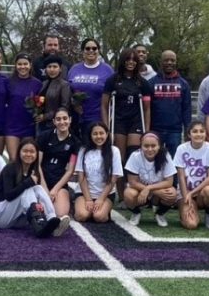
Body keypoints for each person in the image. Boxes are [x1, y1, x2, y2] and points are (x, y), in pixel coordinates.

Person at [0, 140, 70, 238]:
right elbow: (8, 196)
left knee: (38, 188)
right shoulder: (10, 168)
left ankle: (51, 220)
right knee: (27, 190)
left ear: (37, 154)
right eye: (25, 151)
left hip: (18, 218)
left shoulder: (34, 171)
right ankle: (39, 223)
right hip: (1, 216)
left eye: (32, 152)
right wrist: (27, 183)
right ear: (19, 152)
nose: (28, 154)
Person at [102, 48, 152, 195]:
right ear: (123, 61)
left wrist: (147, 131)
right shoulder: (113, 80)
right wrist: (106, 127)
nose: (131, 62)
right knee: (120, 158)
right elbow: (105, 105)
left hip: (136, 122)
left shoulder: (142, 83)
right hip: (118, 122)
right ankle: (121, 192)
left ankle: (135, 188)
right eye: (128, 59)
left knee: (134, 156)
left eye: (133, 60)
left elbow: (147, 109)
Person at [174, 121, 209, 230]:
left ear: (205, 134)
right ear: (189, 134)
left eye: (202, 131)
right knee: (191, 225)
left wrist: (192, 193)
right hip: (186, 191)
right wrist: (186, 196)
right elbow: (180, 176)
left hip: (202, 192)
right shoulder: (181, 148)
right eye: (195, 131)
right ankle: (187, 212)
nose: (198, 134)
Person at [123, 132, 176, 226]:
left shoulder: (166, 155)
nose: (150, 149)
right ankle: (136, 212)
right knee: (128, 194)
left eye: (153, 146)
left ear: (159, 146)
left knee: (172, 194)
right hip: (141, 190)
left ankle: (160, 213)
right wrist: (151, 190)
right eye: (146, 146)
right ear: (141, 146)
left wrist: (149, 188)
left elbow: (169, 181)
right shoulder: (135, 156)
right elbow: (132, 182)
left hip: (156, 190)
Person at [74, 122, 122, 223]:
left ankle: (101, 210)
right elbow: (81, 177)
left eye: (101, 133)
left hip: (105, 194)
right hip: (85, 193)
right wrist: (88, 199)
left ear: (107, 134)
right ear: (90, 136)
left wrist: (100, 199)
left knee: (99, 217)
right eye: (95, 134)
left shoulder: (114, 151)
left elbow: (113, 179)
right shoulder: (83, 150)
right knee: (81, 216)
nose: (98, 136)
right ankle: (83, 207)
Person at [37, 108, 80, 219]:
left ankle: (63, 198)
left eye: (65, 118)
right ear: (54, 122)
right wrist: (45, 188)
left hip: (59, 183)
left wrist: (55, 190)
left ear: (70, 120)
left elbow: (70, 170)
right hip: (41, 180)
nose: (62, 122)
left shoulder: (75, 142)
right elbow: (37, 164)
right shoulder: (44, 136)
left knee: (61, 214)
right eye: (58, 119)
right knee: (38, 209)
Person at [68, 38, 114, 140]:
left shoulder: (107, 70)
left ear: (98, 51)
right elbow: (68, 90)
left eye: (94, 48)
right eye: (87, 48)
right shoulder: (74, 69)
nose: (91, 51)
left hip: (97, 118)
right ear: (83, 51)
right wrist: (74, 102)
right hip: (76, 118)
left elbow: (113, 94)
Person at [148, 50, 191, 157]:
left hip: (175, 131)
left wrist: (187, 130)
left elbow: (186, 109)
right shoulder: (151, 83)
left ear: (176, 62)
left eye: (172, 60)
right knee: (155, 159)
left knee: (174, 161)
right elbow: (147, 108)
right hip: (155, 130)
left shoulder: (183, 84)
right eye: (166, 60)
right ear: (161, 62)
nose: (169, 63)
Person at [6, 53, 43, 161]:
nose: (23, 67)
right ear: (15, 66)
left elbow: (40, 104)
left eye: (25, 64)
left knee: (27, 159)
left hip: (29, 126)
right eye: (19, 64)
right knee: (13, 159)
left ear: (30, 65)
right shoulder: (8, 82)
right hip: (12, 126)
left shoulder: (37, 84)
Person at [37, 55, 72, 132]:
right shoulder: (43, 84)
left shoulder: (64, 85)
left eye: (55, 67)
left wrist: (46, 116)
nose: (52, 69)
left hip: (56, 124)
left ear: (60, 69)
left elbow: (64, 106)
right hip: (41, 124)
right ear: (46, 69)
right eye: (49, 67)